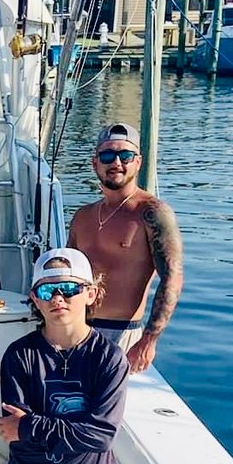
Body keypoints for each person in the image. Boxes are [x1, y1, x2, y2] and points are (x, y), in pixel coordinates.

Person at [0, 248, 127, 464]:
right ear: (35, 299)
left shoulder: (109, 358)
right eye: (47, 290)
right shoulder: (19, 356)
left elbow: (102, 435)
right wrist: (74, 430)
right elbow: (11, 432)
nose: (58, 298)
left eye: (69, 288)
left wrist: (31, 426)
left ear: (90, 294)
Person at [67, 121, 184, 374]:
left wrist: (149, 340)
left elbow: (172, 278)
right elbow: (67, 275)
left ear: (138, 162)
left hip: (123, 335)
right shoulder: (82, 216)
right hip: (76, 328)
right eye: (107, 155)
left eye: (125, 155)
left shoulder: (152, 213)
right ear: (95, 162)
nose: (116, 162)